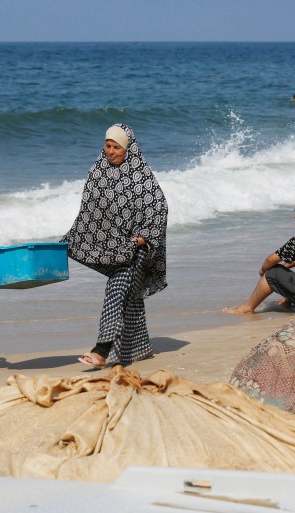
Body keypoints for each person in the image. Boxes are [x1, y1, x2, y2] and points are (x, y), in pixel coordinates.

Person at [62, 124, 168, 369]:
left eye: (116, 147)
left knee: (117, 287)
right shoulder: (98, 171)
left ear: (128, 149)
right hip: (112, 248)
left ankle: (101, 350)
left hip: (137, 250)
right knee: (130, 297)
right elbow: (89, 213)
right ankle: (139, 349)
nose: (110, 151)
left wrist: (143, 237)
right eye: (107, 146)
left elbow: (160, 207)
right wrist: (72, 240)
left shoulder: (141, 176)